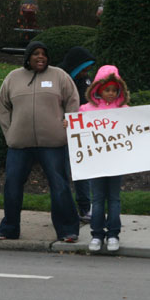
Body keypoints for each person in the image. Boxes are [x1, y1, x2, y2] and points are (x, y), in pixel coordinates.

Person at [0, 41, 81, 242]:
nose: (40, 57)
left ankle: (68, 230)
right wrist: (10, 133)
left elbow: (73, 101)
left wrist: (67, 125)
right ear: (27, 57)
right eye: (36, 54)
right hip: (19, 144)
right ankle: (9, 228)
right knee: (12, 185)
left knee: (60, 186)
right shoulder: (13, 78)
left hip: (53, 143)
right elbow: (3, 106)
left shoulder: (59, 76)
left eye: (43, 54)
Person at [80, 65, 130, 253]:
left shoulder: (125, 109)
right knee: (98, 199)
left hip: (116, 164)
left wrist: (148, 129)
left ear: (119, 90)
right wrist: (68, 124)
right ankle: (97, 234)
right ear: (98, 89)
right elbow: (78, 132)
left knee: (114, 199)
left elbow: (134, 131)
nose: (110, 93)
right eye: (107, 89)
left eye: (114, 90)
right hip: (96, 163)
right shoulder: (85, 109)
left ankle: (113, 234)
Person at [58, 46, 96, 223]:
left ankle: (85, 207)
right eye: (84, 69)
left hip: (81, 132)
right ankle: (65, 208)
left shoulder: (86, 81)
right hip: (62, 132)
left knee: (83, 171)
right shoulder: (60, 79)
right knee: (63, 171)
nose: (86, 73)